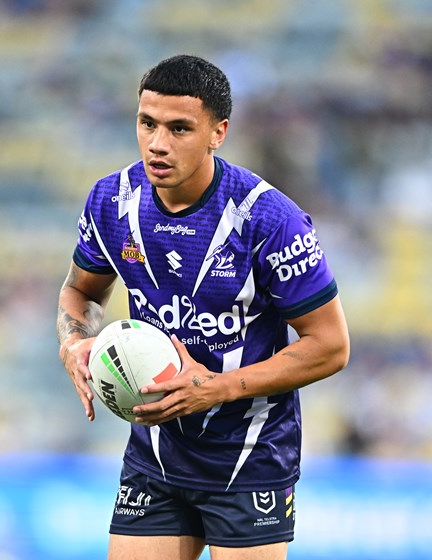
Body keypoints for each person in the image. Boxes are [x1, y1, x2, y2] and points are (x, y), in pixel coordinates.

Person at [57, 54, 350, 560]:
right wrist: (74, 341)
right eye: (147, 123)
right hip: (155, 457)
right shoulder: (111, 202)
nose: (157, 143)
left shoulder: (269, 220)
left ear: (218, 133)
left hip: (250, 458)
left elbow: (330, 346)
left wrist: (216, 389)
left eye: (179, 128)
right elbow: (80, 292)